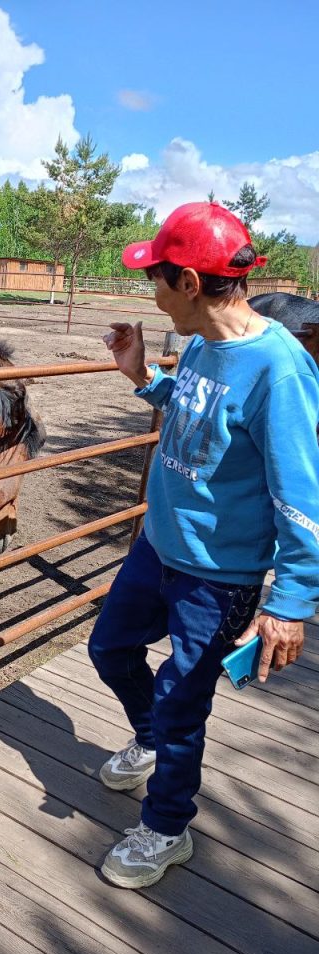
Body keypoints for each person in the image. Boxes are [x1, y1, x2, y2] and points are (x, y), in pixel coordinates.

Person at [90, 201, 319, 888]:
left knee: (183, 701)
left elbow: (302, 496)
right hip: (158, 547)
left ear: (189, 282)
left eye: (156, 281)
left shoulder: (279, 370)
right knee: (110, 651)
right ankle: (151, 738)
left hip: (219, 578)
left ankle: (166, 827)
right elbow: (198, 415)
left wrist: (292, 603)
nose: (151, 297)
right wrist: (141, 378)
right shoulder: (200, 344)